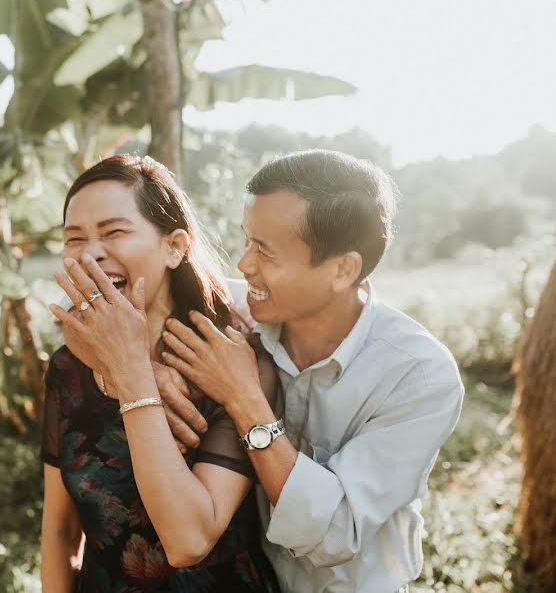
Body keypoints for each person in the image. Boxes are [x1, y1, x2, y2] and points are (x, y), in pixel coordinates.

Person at [156, 150, 465, 592]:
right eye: (246, 241)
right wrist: (154, 369)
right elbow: (100, 311)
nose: (243, 265)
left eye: (265, 251)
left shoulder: (419, 377)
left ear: (343, 269)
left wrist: (244, 397)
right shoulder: (231, 311)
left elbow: (336, 532)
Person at [41, 154, 280, 592]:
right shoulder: (67, 369)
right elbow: (59, 533)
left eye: (114, 232)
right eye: (74, 238)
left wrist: (133, 375)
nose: (91, 253)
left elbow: (189, 541)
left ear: (175, 247)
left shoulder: (233, 365)